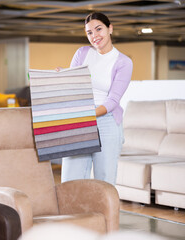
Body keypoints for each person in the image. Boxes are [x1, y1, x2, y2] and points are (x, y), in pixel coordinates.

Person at [57, 12, 133, 185]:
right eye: (89, 32)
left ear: (110, 28)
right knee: (71, 179)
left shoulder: (123, 62)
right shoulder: (82, 53)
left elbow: (113, 101)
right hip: (81, 119)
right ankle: (75, 213)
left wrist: (88, 114)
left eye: (98, 29)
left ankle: (105, 213)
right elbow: (73, 85)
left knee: (104, 180)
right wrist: (63, 76)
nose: (94, 36)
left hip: (106, 121)